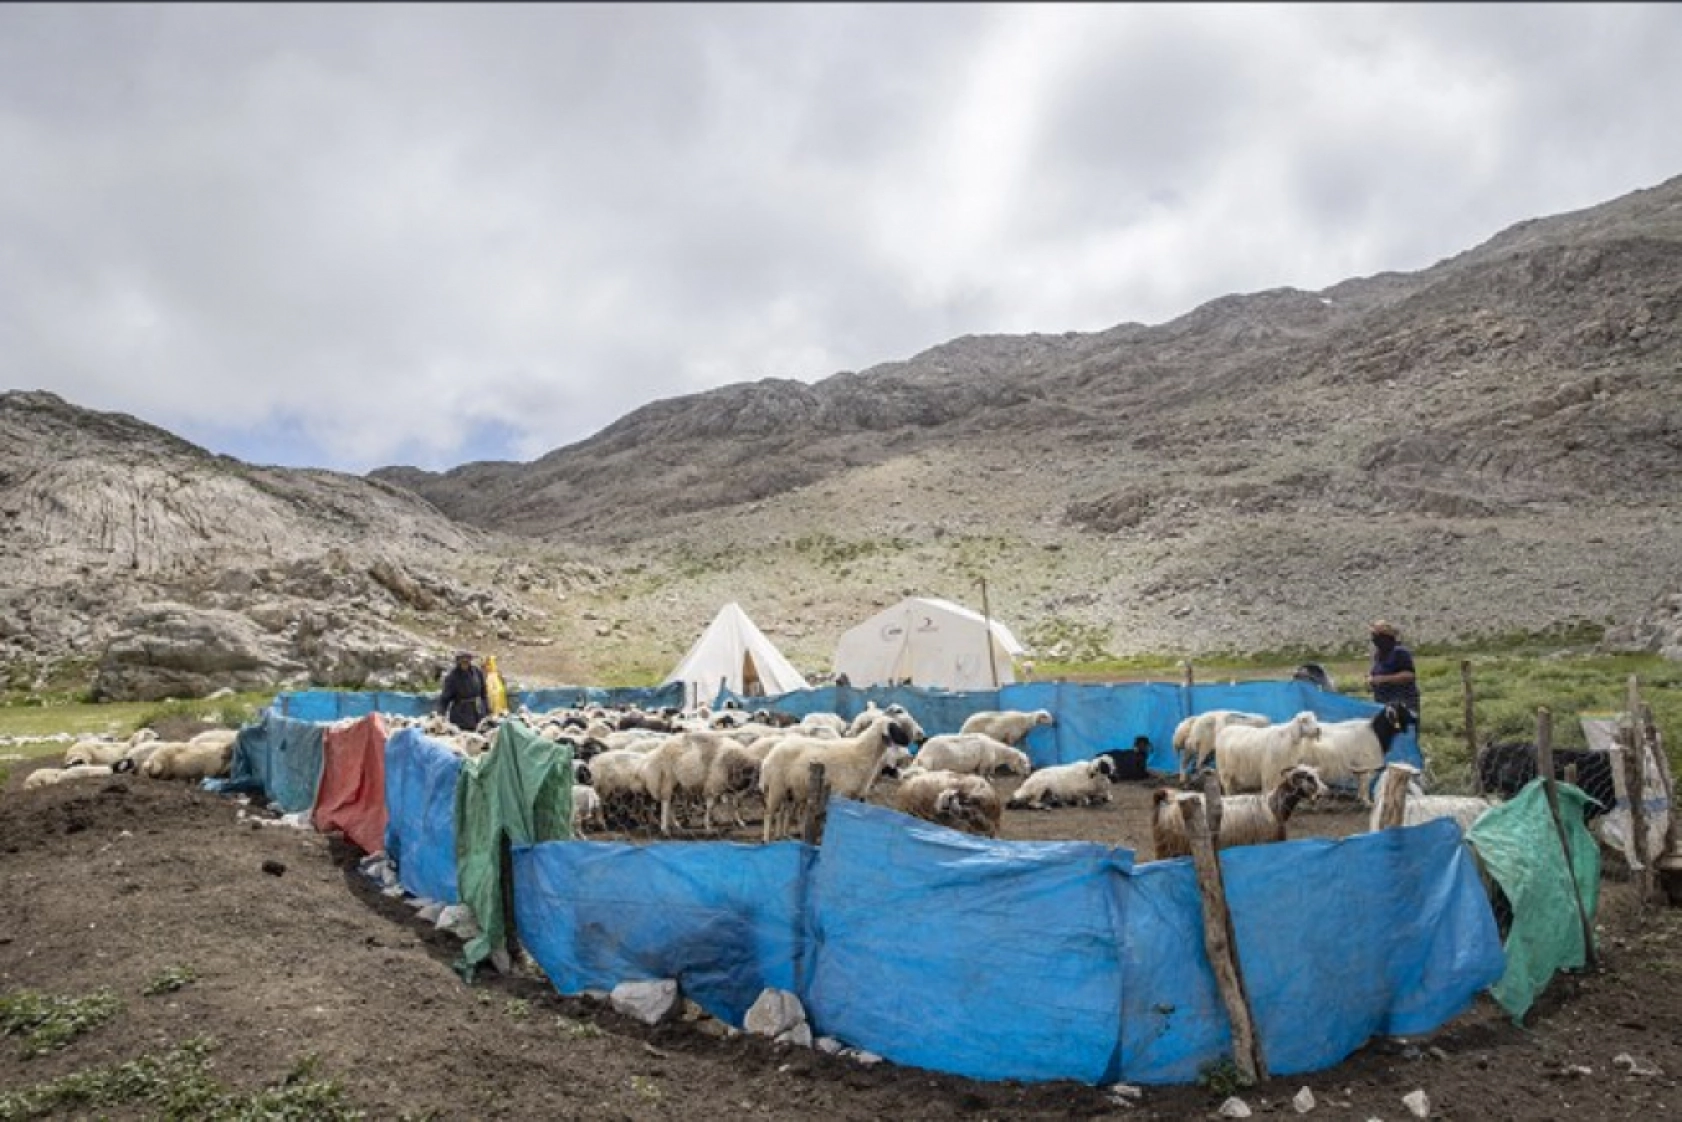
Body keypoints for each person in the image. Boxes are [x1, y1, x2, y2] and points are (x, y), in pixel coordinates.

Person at [1367, 620, 1420, 724]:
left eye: (1377, 636)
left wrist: (1383, 679)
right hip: (1383, 703)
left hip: (1403, 703)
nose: (1374, 639)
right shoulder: (1378, 655)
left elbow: (1409, 675)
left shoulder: (1399, 652)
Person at [439, 650, 489, 731]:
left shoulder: (477, 672)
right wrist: (440, 715)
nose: (464, 663)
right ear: (458, 661)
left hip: (478, 712)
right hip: (460, 715)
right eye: (462, 661)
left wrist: (487, 710)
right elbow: (444, 699)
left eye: (467, 661)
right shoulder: (452, 677)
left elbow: (484, 693)